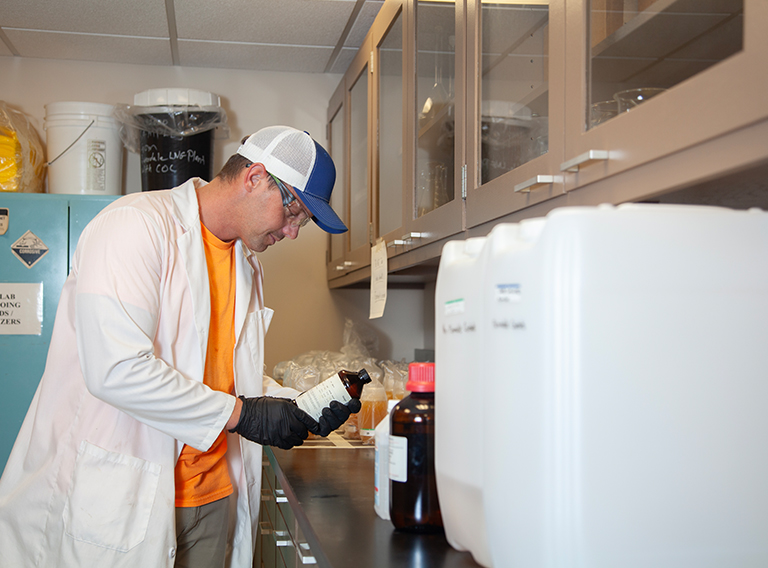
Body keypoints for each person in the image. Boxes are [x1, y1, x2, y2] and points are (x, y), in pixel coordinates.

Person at [0, 125, 360, 568]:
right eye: (295, 214)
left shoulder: (245, 264)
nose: (293, 233)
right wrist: (245, 415)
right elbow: (116, 369)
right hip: (122, 497)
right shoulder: (135, 226)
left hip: (213, 498)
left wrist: (298, 404)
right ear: (255, 178)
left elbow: (223, 370)